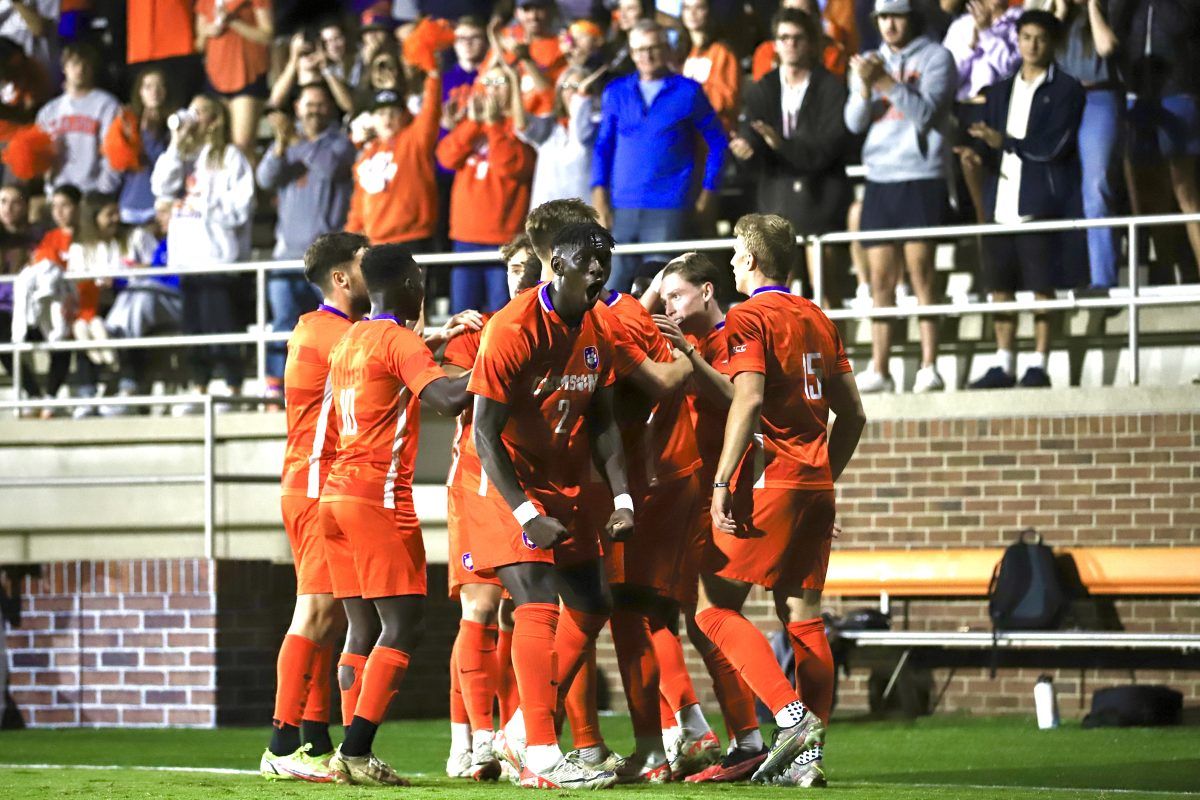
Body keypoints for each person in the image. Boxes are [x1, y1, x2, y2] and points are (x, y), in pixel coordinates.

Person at [469, 222, 643, 790]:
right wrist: (524, 514)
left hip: (564, 486)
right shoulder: (512, 328)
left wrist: (621, 498)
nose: (599, 268)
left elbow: (604, 421)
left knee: (592, 604)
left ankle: (520, 728)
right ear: (557, 265)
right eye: (588, 258)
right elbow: (484, 434)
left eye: (605, 259)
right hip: (506, 485)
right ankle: (541, 754)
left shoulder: (598, 326)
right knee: (538, 602)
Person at [696, 213, 866, 787]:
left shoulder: (748, 315)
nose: (731, 261)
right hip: (816, 484)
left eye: (735, 252)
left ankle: (791, 720)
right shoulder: (816, 315)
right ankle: (807, 761)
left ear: (747, 257)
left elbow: (747, 401)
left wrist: (721, 483)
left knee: (712, 607)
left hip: (773, 483)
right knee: (803, 617)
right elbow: (855, 414)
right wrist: (824, 476)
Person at [320, 243, 472, 785]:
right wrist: (498, 356)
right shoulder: (399, 340)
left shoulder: (351, 338)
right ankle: (356, 751)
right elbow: (450, 399)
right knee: (404, 624)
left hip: (334, 498)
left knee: (361, 627)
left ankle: (349, 755)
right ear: (410, 283)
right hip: (376, 497)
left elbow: (396, 370)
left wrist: (432, 343)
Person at [645, 253, 768, 784]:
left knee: (705, 617)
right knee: (693, 622)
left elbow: (739, 397)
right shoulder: (686, 345)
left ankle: (757, 731)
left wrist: (686, 355)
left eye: (678, 295)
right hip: (685, 495)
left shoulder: (731, 335)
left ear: (708, 291)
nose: (670, 306)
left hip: (718, 498)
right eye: (666, 297)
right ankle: (740, 737)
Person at [260, 232, 371, 783]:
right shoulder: (338, 336)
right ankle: (281, 743)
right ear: (342, 278)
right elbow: (386, 363)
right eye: (365, 263)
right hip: (315, 485)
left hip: (311, 483)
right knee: (317, 612)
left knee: (329, 617)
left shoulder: (318, 327)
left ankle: (313, 739)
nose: (375, 272)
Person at [441, 232, 542, 782]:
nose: (520, 277)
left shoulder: (556, 329)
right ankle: (475, 740)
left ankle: (509, 734)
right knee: (478, 610)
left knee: (518, 615)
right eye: (513, 268)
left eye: (530, 266)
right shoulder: (480, 330)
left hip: (531, 486)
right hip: (478, 485)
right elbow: (444, 389)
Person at [964, 10, 1084, 390]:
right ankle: (1004, 362)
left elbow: (1055, 145)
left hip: (1040, 203)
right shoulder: (999, 91)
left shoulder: (1066, 89)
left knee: (1041, 285)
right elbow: (987, 143)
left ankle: (1040, 362)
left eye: (1040, 38)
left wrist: (1006, 143)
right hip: (1000, 201)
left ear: (1053, 43)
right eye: (1026, 37)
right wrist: (975, 152)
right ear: (1016, 39)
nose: (1032, 45)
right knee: (1001, 286)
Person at [844, 0, 956, 394]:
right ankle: (880, 368)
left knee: (921, 272)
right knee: (880, 279)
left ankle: (930, 364)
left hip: (920, 173)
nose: (889, 24)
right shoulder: (869, 61)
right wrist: (863, 85)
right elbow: (854, 122)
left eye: (897, 15)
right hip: (880, 176)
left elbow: (926, 112)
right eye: (883, 17)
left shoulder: (937, 56)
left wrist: (886, 83)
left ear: (911, 18)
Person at [592, 20, 727, 292]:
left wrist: (708, 192)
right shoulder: (616, 91)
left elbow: (719, 142)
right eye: (639, 49)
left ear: (667, 50)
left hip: (670, 206)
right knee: (614, 292)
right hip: (622, 207)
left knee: (664, 292)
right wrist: (599, 195)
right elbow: (603, 146)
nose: (646, 55)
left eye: (653, 48)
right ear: (631, 53)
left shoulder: (688, 91)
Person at [730, 8, 852, 306]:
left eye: (798, 38)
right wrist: (745, 147)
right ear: (775, 43)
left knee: (827, 286)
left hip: (820, 194)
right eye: (784, 37)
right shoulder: (763, 88)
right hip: (776, 194)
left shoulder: (832, 88)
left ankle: (832, 345)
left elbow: (825, 149)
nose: (791, 44)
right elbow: (752, 134)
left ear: (812, 42)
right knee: (779, 290)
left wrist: (780, 144)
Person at [151, 94, 255, 405]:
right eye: (190, 111)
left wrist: (205, 203)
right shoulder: (182, 156)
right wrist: (175, 143)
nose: (193, 118)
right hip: (187, 257)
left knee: (220, 324)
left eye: (200, 112)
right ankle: (200, 387)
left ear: (215, 119)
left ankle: (231, 387)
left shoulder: (231, 157)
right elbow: (160, 187)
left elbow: (242, 206)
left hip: (217, 256)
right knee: (194, 328)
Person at [257, 81, 356, 397]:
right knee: (284, 324)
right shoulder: (289, 144)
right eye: (307, 104)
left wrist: (298, 141)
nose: (313, 110)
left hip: (326, 258)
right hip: (286, 255)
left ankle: (330, 385)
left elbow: (327, 169)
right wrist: (280, 146)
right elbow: (265, 178)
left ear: (329, 109)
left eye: (319, 104)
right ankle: (277, 385)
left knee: (331, 325)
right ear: (297, 108)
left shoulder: (339, 144)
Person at [1110, 0, 1200, 283]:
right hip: (1138, 93)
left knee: (1184, 189)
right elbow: (1115, 25)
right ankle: (1165, 268)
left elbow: (1180, 24)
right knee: (1151, 192)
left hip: (1177, 91)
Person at [436, 65, 535, 314]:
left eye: (500, 82)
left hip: (504, 238)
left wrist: (492, 125)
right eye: (487, 83)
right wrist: (473, 123)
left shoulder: (521, 125)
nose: (491, 90)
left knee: (501, 316)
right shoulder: (471, 125)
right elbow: (446, 158)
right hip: (465, 236)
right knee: (463, 317)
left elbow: (510, 166)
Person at [1053, 0, 1121, 291]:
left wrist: (1093, 6)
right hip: (1061, 101)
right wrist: (1058, 10)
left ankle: (1102, 278)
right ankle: (1072, 274)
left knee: (1096, 187)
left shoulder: (1110, 11)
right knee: (1063, 188)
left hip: (1099, 97)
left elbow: (1106, 47)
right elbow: (1038, 51)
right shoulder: (1058, 19)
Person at [346, 78, 442, 249]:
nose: (387, 118)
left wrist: (433, 76)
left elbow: (431, 112)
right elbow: (359, 207)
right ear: (372, 119)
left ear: (404, 116)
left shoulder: (414, 141)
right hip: (376, 245)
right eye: (381, 113)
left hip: (414, 239)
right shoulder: (365, 158)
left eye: (393, 112)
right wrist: (347, 242)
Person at [12, 184, 78, 416]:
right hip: (49, 308)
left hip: (77, 307)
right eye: (55, 206)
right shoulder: (49, 238)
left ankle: (51, 396)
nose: (59, 212)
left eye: (66, 205)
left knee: (66, 335)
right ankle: (34, 395)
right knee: (14, 339)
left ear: (78, 207)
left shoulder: (86, 236)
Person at [35, 42, 121, 196]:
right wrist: (50, 186)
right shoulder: (48, 111)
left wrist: (103, 191)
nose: (80, 69)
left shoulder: (107, 105)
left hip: (92, 193)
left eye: (86, 65)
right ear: (64, 67)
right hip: (58, 194)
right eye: (75, 64)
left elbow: (114, 153)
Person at [195, 0, 273, 157]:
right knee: (212, 144)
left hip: (247, 75)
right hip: (215, 77)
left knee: (242, 147)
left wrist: (233, 22)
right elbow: (199, 45)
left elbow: (267, 35)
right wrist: (207, 32)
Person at [102, 68, 174, 229]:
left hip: (161, 210)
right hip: (130, 207)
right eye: (148, 87)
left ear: (166, 91)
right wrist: (127, 141)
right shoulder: (127, 122)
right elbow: (117, 165)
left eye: (159, 86)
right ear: (140, 92)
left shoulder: (175, 125)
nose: (154, 91)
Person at [0, 185, 42, 403]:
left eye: (15, 202)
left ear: (25, 206)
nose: (8, 208)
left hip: (26, 307)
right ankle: (34, 394)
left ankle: (35, 395)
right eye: (3, 201)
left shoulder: (36, 239)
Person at [679, 0, 741, 131]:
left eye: (699, 8)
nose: (692, 13)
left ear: (709, 12)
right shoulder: (683, 52)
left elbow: (726, 100)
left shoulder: (722, 52)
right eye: (687, 8)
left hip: (715, 132)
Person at [269, 30, 355, 116]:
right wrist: (293, 60)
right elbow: (275, 102)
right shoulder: (290, 89)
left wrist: (325, 67)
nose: (309, 56)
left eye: (314, 50)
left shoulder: (334, 85)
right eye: (303, 53)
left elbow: (349, 107)